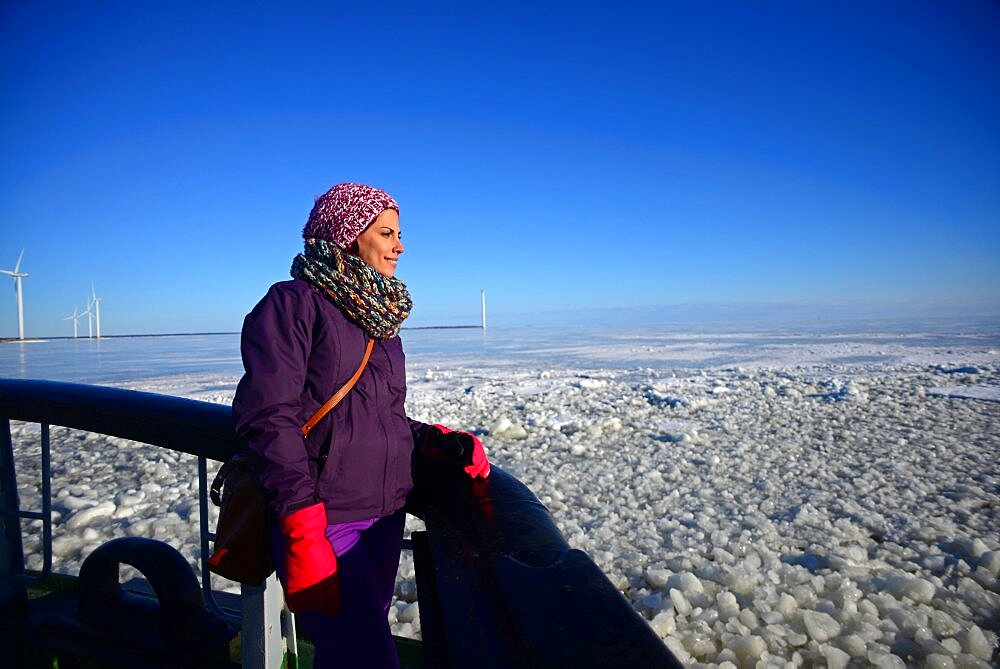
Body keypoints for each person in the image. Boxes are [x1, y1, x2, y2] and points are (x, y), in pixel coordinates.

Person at [232, 182, 490, 668]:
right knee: (368, 658)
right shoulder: (294, 304)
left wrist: (433, 441)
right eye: (387, 233)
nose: (401, 245)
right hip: (323, 519)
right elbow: (268, 415)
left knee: (348, 652)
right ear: (349, 236)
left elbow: (378, 415)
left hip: (385, 513)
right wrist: (299, 520)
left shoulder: (380, 318)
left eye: (400, 233)